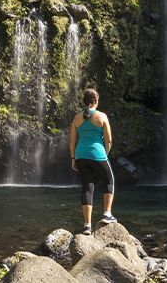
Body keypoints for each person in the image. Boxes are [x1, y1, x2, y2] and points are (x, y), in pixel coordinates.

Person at [70, 87, 117, 235]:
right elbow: (109, 140)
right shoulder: (101, 116)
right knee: (109, 180)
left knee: (87, 187)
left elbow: (72, 141)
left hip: (80, 156)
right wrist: (105, 153)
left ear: (84, 101)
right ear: (96, 100)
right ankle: (107, 214)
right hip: (97, 154)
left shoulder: (77, 118)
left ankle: (87, 226)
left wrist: (73, 158)